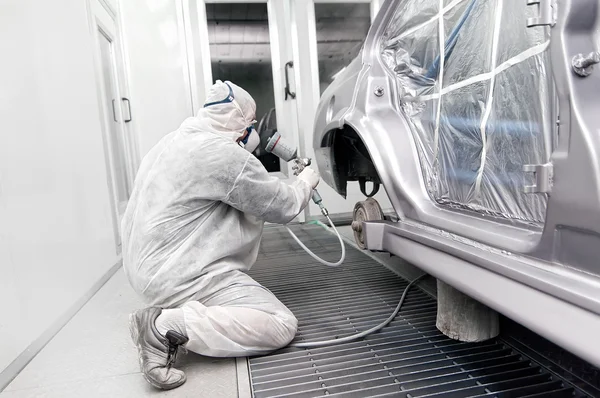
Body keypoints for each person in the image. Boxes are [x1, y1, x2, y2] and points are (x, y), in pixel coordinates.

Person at [122, 80, 320, 390]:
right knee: (281, 324)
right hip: (177, 276)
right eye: (250, 122)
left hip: (146, 269)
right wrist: (306, 182)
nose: (251, 131)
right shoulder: (221, 154)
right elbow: (283, 206)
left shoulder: (174, 140)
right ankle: (162, 328)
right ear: (238, 120)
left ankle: (168, 315)